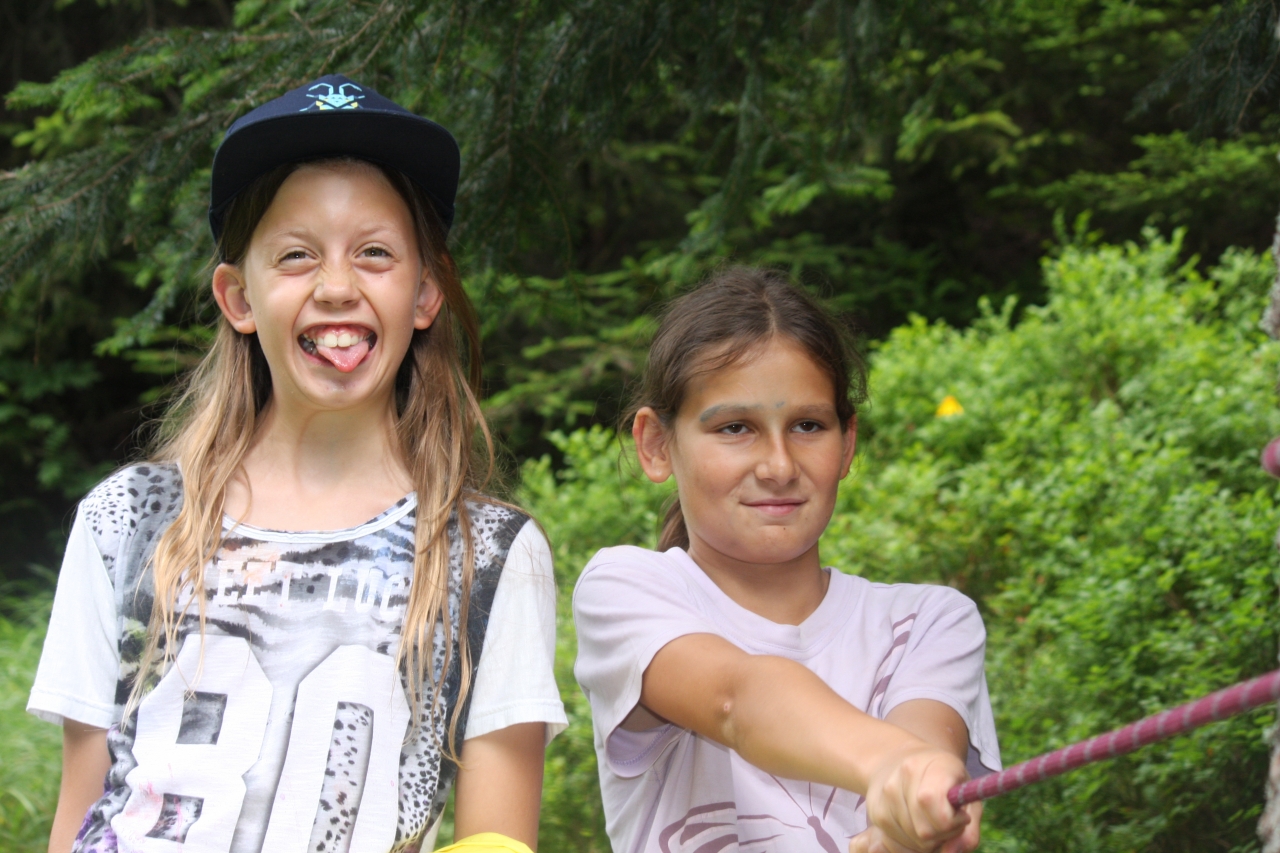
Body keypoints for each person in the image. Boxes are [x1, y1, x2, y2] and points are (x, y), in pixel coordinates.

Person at [27, 75, 566, 853]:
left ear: (426, 292)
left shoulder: (488, 554)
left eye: (374, 253)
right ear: (238, 298)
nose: (337, 287)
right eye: (296, 255)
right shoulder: (129, 519)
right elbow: (79, 814)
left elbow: (497, 839)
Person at [573, 267, 1002, 853]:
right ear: (655, 444)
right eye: (736, 427)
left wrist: (914, 809)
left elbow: (923, 752)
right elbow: (737, 700)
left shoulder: (928, 623)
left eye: (807, 425)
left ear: (847, 444)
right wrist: (898, 762)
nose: (779, 466)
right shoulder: (628, 590)